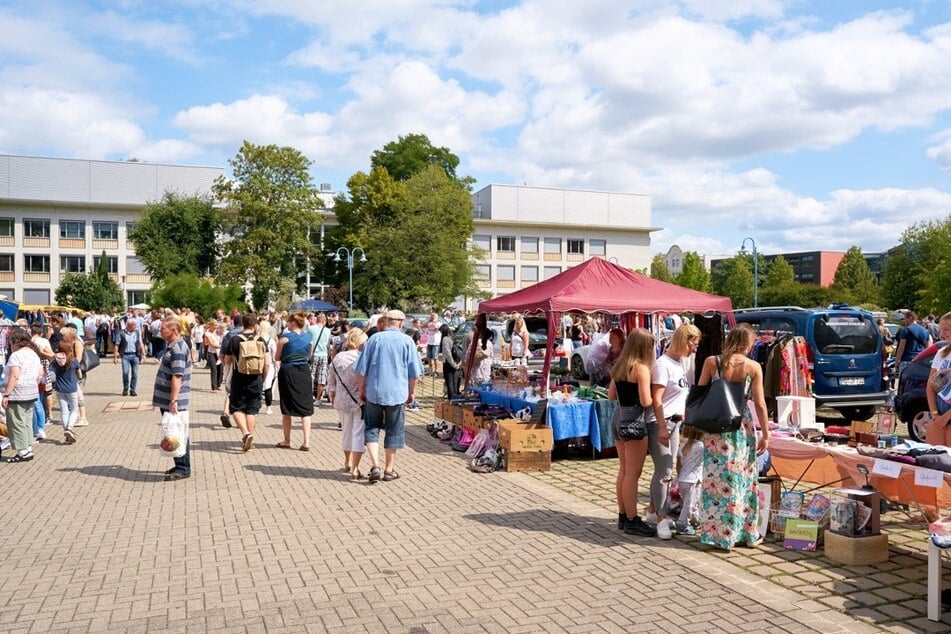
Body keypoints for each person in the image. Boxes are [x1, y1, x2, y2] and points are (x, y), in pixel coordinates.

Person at [696, 323, 769, 551]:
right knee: (743, 479)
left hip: (717, 425)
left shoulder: (712, 362)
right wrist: (765, 433)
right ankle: (745, 533)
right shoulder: (752, 367)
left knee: (716, 480)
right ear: (748, 344)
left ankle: (717, 534)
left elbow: (700, 394)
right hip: (741, 425)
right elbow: (760, 403)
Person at [355, 309, 423, 483]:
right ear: (401, 323)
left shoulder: (374, 339)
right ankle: (389, 469)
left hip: (374, 392)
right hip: (397, 393)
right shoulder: (407, 341)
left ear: (386, 322)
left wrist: (361, 390)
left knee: (371, 427)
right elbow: (414, 373)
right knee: (394, 430)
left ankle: (375, 465)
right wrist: (411, 392)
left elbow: (362, 370)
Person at [648, 323, 701, 535]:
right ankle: (661, 517)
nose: (695, 348)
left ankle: (654, 510)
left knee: (666, 469)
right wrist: (662, 427)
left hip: (676, 423)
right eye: (693, 344)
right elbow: (656, 399)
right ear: (684, 340)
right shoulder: (663, 365)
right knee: (665, 472)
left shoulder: (680, 363)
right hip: (662, 423)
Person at [609, 329, 656, 537]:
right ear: (645, 347)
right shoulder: (641, 369)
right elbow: (646, 401)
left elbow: (611, 395)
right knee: (632, 474)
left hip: (618, 417)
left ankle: (622, 514)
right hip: (634, 420)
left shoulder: (619, 365)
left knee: (623, 469)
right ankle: (632, 519)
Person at [221, 313, 269, 452]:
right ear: (255, 326)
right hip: (256, 379)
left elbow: (227, 360)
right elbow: (266, 364)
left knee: (236, 408)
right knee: (252, 410)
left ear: (243, 325)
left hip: (239, 378)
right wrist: (263, 378)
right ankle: (251, 438)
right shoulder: (261, 340)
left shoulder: (235, 339)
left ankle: (245, 433)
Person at [153, 316, 193, 481]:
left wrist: (173, 400)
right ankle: (179, 464)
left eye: (163, 329)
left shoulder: (177, 349)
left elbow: (177, 376)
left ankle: (183, 468)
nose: (160, 331)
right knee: (174, 432)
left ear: (174, 331)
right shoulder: (173, 346)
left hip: (174, 400)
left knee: (177, 432)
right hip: (170, 399)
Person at [328, 327, 367, 479]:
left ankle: (347, 461)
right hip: (360, 400)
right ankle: (355, 468)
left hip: (342, 399)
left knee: (346, 432)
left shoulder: (338, 357)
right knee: (358, 433)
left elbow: (331, 377)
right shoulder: (362, 357)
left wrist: (332, 393)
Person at [275, 312, 314, 450]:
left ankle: (287, 440)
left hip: (288, 371)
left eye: (288, 322)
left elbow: (277, 357)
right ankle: (306, 442)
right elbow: (309, 356)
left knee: (286, 407)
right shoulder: (309, 338)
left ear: (293, 323)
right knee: (306, 408)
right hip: (304, 371)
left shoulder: (284, 339)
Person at [1, 331, 42, 462]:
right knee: (26, 421)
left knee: (16, 422)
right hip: (31, 391)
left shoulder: (16, 356)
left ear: (15, 342)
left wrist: (6, 394)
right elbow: (40, 372)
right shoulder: (33, 354)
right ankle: (28, 447)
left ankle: (22, 450)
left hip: (17, 392)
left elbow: (14, 375)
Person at [925, 312, 951, 447]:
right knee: (934, 460)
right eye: (941, 329)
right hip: (938, 414)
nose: (941, 334)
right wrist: (935, 414)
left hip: (947, 416)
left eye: (946, 329)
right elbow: (931, 385)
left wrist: (946, 418)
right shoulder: (942, 353)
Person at [674, 426, 703, 535]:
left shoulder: (681, 446)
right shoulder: (700, 446)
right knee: (689, 504)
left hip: (683, 479)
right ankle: (682, 524)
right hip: (693, 479)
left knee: (692, 501)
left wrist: (679, 476)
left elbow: (678, 465)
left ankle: (695, 519)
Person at [52, 341, 82, 444]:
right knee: (74, 410)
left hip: (60, 389)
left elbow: (52, 375)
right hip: (72, 389)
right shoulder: (73, 361)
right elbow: (80, 375)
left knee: (64, 412)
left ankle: (67, 434)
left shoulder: (55, 361)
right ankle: (69, 428)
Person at [114, 316, 145, 397]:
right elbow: (116, 345)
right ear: (128, 325)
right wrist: (115, 357)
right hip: (125, 356)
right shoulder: (121, 333)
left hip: (135, 355)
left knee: (135, 374)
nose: (135, 327)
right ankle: (125, 388)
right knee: (125, 373)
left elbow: (141, 343)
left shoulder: (137, 332)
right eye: (134, 325)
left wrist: (144, 354)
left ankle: (133, 390)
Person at [309, 313, 332, 406]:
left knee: (311, 376)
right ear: (324, 321)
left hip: (313, 354)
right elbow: (328, 344)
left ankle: (309, 397)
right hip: (324, 355)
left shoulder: (311, 329)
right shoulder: (327, 330)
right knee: (322, 378)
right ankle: (318, 399)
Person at [257, 320, 278, 415]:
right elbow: (275, 355)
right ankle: (268, 408)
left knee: (257, 385)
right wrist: (277, 365)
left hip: (257, 364)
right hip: (269, 364)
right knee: (268, 386)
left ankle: (255, 406)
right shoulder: (271, 340)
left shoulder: (256, 339)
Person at [439, 323, 462, 400]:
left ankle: (451, 398)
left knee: (449, 382)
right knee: (455, 382)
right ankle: (456, 397)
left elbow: (447, 353)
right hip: (457, 361)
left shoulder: (445, 339)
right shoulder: (454, 337)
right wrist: (458, 364)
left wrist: (453, 364)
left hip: (449, 363)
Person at [203, 319, 224, 391]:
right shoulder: (207, 333)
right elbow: (211, 344)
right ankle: (214, 387)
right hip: (211, 353)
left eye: (217, 325)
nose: (216, 327)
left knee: (220, 369)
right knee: (214, 369)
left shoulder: (219, 332)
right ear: (211, 325)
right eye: (215, 325)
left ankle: (218, 385)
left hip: (219, 353)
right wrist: (221, 346)